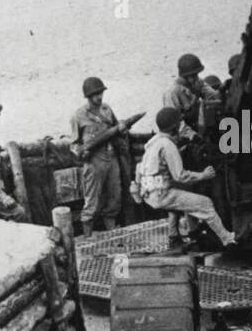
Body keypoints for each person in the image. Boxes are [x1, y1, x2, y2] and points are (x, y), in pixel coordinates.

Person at [136, 107, 237, 249]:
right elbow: (180, 176)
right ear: (175, 127)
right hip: (161, 194)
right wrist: (203, 175)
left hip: (148, 192)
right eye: (179, 124)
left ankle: (174, 236)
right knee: (205, 203)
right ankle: (228, 239)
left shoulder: (154, 141)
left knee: (182, 196)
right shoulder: (168, 145)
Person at [70, 76, 127, 233]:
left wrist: (122, 130)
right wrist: (82, 153)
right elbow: (74, 144)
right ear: (88, 96)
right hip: (94, 162)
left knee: (115, 198)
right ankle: (88, 237)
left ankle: (111, 234)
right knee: (91, 202)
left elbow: (117, 130)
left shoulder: (106, 109)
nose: (100, 97)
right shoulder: (78, 116)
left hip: (112, 159)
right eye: (96, 94)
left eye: (101, 93)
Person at [163, 52, 220, 141]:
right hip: (181, 137)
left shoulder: (196, 82)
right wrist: (193, 136)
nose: (196, 77)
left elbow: (213, 95)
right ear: (185, 76)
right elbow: (175, 123)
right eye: (193, 75)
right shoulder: (172, 93)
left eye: (196, 74)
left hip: (198, 131)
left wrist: (223, 91)